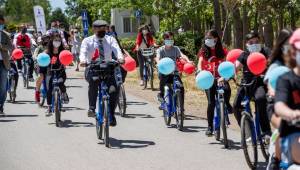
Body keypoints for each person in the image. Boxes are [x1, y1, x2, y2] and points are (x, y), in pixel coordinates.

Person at [79, 20, 124, 126]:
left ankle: (111, 114)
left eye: (104, 28)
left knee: (113, 89)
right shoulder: (87, 40)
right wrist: (83, 60)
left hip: (108, 69)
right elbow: (83, 51)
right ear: (94, 29)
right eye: (99, 28)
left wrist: (120, 58)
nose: (102, 30)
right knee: (94, 81)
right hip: (93, 68)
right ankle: (92, 108)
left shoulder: (110, 39)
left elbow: (116, 50)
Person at [264, 29, 292, 170]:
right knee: (284, 126)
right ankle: (275, 159)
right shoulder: (276, 64)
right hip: (276, 105)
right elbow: (270, 83)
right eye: (288, 44)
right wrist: (273, 91)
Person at [234, 31, 272, 137]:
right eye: (251, 42)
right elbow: (235, 67)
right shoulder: (244, 54)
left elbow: (273, 60)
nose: (254, 44)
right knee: (236, 105)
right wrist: (226, 75)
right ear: (246, 44)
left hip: (260, 83)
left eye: (256, 41)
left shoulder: (265, 51)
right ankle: (247, 130)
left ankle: (266, 132)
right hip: (246, 84)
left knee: (261, 99)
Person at [197, 29, 233, 136]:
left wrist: (227, 75)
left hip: (220, 78)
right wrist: (199, 70)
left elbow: (227, 63)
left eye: (210, 38)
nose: (208, 40)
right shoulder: (203, 51)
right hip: (208, 79)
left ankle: (226, 104)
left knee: (227, 89)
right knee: (211, 103)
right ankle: (210, 127)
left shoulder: (223, 51)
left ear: (216, 39)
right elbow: (199, 62)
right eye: (206, 38)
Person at [274, 28, 300, 169]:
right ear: (293, 51)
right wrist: (292, 114)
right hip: (292, 133)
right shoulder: (285, 80)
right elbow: (279, 106)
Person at [156, 31, 192, 111]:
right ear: (164, 40)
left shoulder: (176, 49)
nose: (170, 41)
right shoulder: (160, 50)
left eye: (171, 39)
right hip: (164, 72)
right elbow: (157, 57)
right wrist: (158, 63)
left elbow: (182, 55)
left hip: (174, 72)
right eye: (168, 39)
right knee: (163, 81)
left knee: (181, 87)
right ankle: (161, 95)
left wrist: (188, 61)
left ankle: (181, 107)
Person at [45, 32, 69, 114]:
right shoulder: (47, 52)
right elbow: (43, 60)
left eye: (59, 40)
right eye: (55, 40)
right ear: (51, 41)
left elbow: (68, 59)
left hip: (60, 71)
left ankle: (64, 93)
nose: (57, 42)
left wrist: (67, 62)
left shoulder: (63, 51)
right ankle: (49, 107)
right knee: (49, 88)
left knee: (60, 83)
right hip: (50, 71)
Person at [0, 14, 13, 114]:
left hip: (3, 63)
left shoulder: (6, 35)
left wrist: (2, 46)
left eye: (1, 23)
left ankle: (1, 105)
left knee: (3, 86)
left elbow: (10, 47)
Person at [34, 35, 50, 103]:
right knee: (41, 77)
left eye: (48, 39)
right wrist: (37, 58)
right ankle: (37, 92)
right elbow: (35, 55)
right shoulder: (40, 47)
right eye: (45, 39)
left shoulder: (51, 47)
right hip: (40, 65)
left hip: (49, 65)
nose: (47, 41)